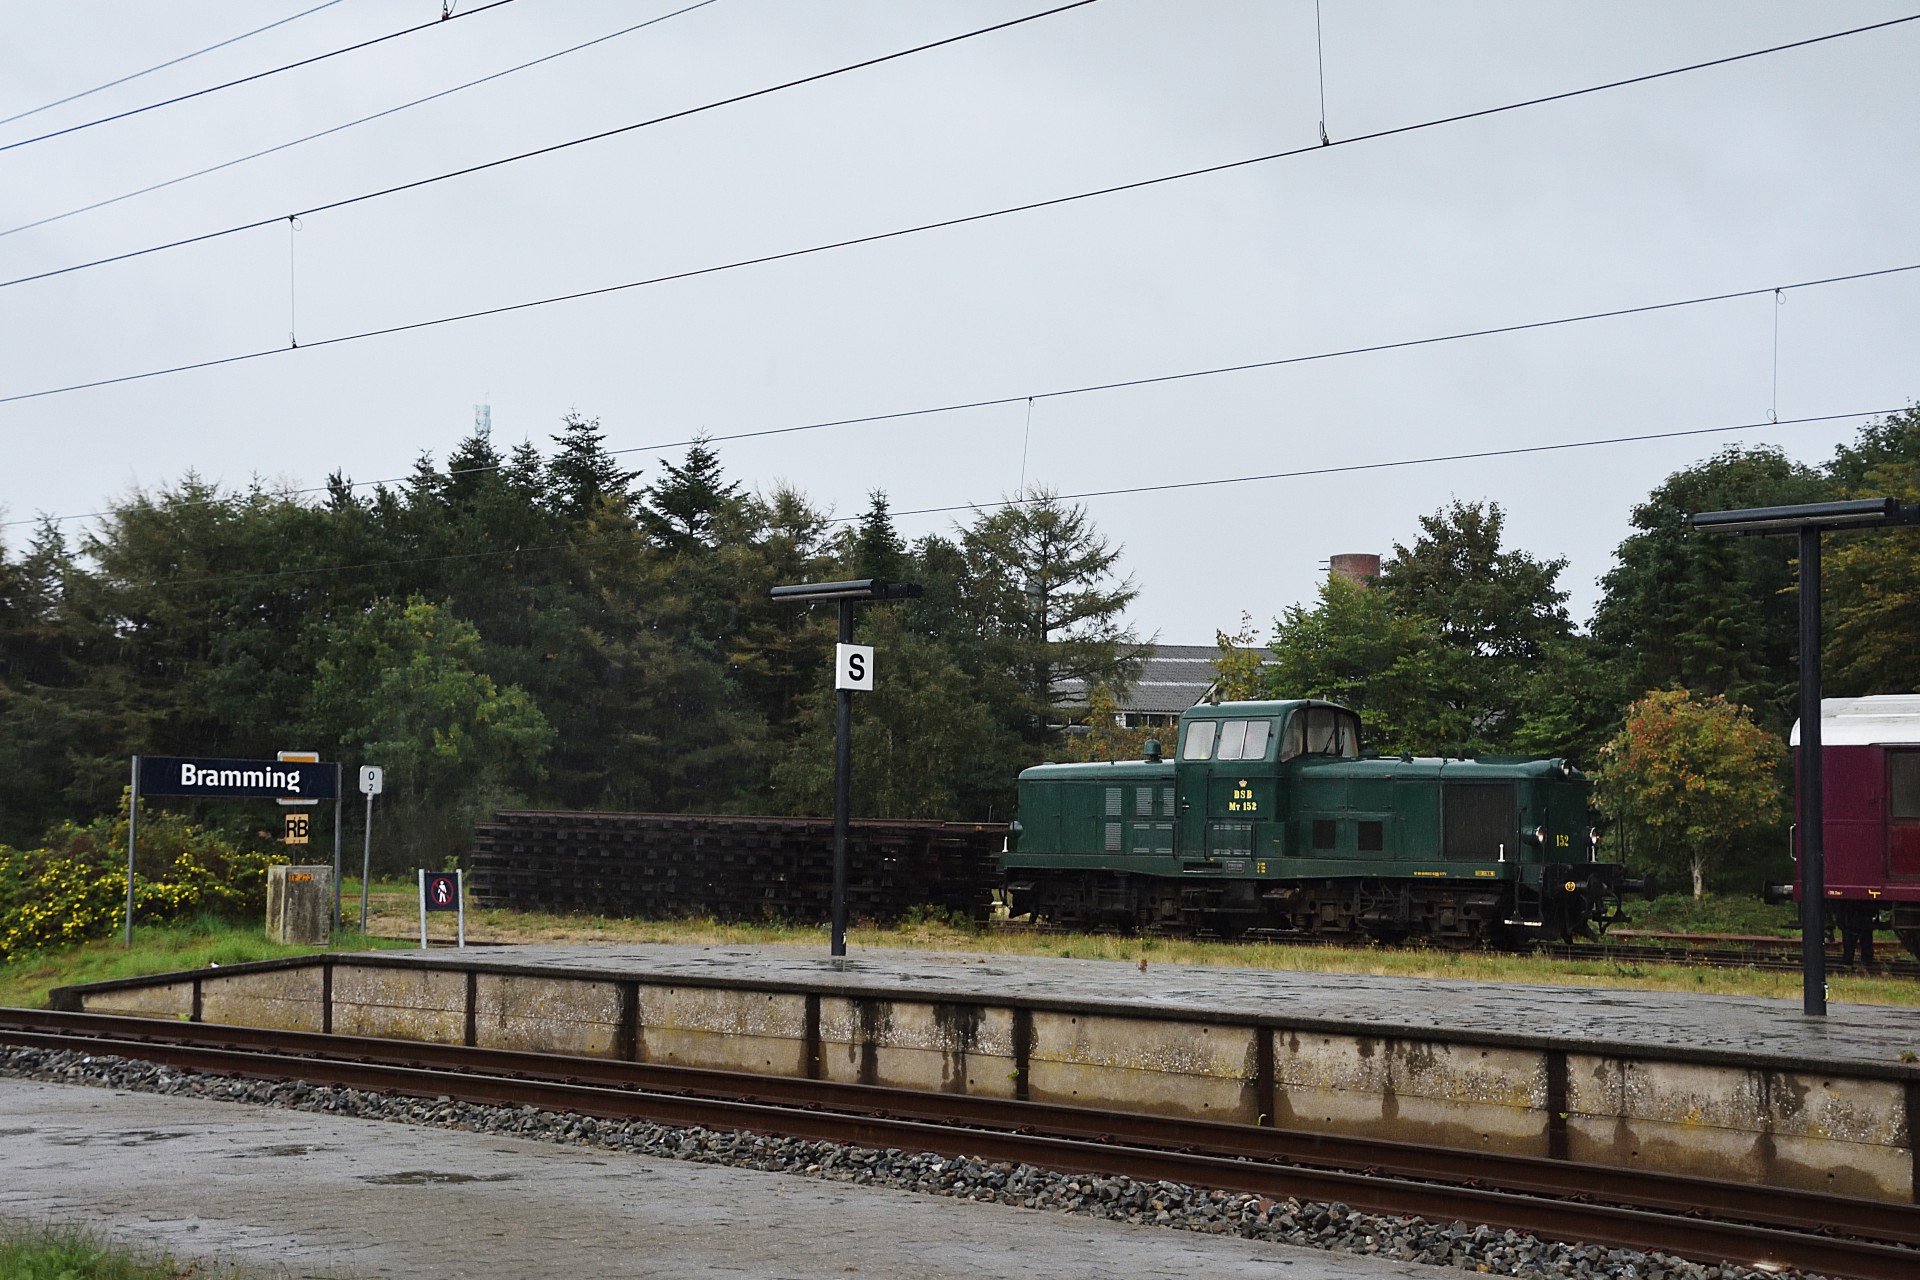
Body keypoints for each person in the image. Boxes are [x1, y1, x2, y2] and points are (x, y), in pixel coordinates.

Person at [1837, 899, 1877, 968]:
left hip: (1850, 914)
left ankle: (1848, 959)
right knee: (1865, 935)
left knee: (1850, 935)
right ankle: (1866, 960)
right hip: (1865, 912)